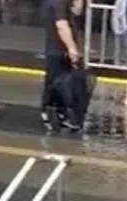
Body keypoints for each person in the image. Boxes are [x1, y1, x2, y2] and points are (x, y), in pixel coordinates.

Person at [41, 0, 85, 131]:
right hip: (57, 50)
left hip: (61, 50)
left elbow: (77, 11)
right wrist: (72, 48)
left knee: (62, 84)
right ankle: (49, 114)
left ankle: (61, 114)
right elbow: (62, 26)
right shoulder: (58, 2)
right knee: (53, 83)